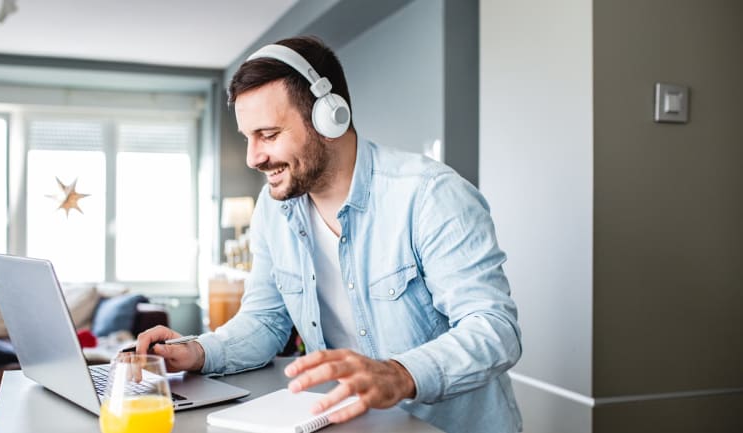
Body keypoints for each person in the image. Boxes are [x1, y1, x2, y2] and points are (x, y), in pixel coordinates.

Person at [136, 36, 522, 433]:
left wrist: (400, 373)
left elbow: (494, 328)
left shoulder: (429, 195)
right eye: (247, 137)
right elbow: (265, 321)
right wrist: (197, 352)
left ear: (329, 118)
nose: (253, 157)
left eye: (268, 135)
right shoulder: (274, 208)